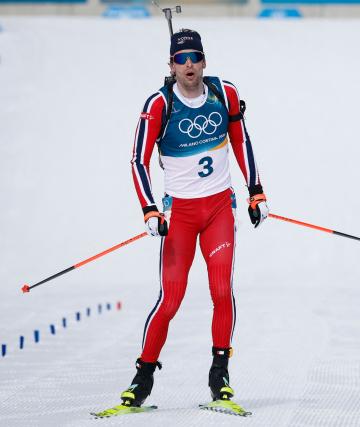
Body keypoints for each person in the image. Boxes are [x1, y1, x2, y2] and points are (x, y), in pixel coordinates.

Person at [119, 29, 266, 413]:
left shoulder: (224, 93)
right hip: (181, 216)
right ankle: (142, 380)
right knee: (171, 299)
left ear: (204, 61)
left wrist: (256, 191)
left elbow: (241, 141)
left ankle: (220, 378)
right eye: (181, 59)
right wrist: (150, 209)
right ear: (170, 65)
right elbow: (137, 160)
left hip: (218, 210)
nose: (188, 65)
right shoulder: (159, 104)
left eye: (195, 58)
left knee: (221, 290)